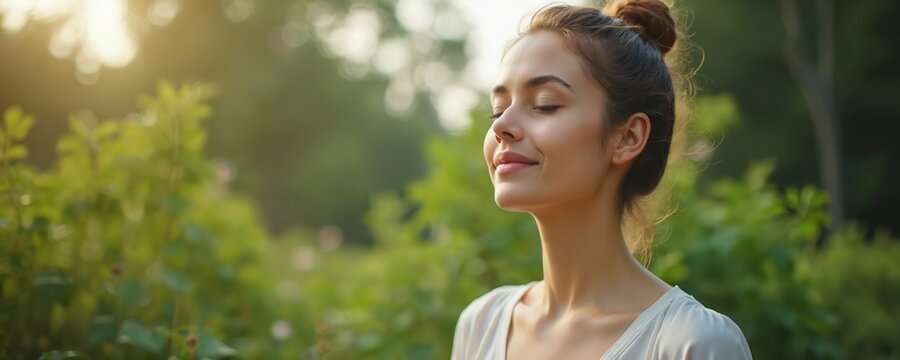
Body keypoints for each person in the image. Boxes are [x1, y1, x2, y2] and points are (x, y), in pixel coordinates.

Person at [451, 0, 752, 359]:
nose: (501, 126)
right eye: (498, 109)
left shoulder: (691, 342)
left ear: (627, 138)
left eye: (545, 104)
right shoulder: (482, 324)